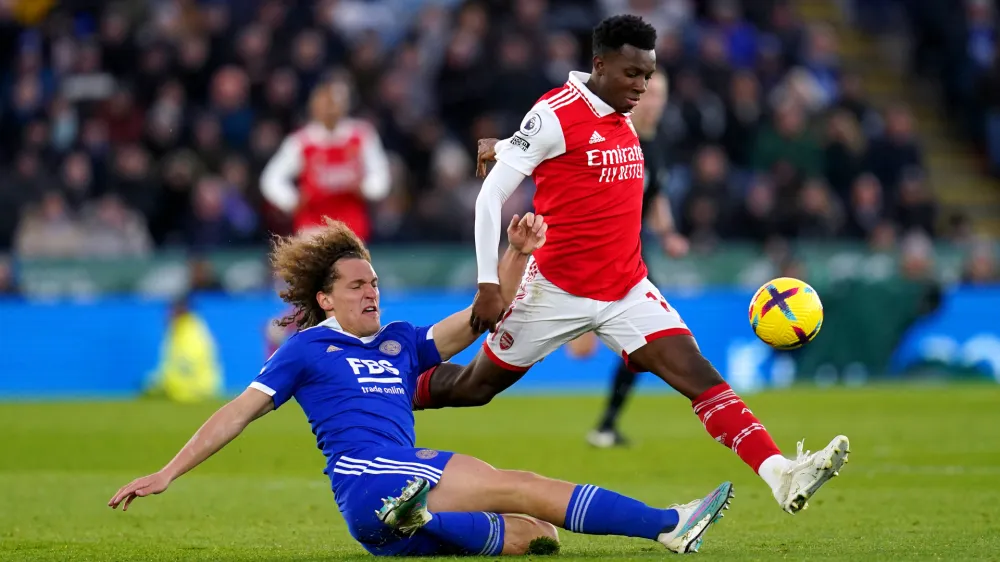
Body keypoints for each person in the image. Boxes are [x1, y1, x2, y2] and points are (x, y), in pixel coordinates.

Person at [414, 14, 850, 515]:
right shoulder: (556, 113)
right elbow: (490, 198)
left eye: (648, 75)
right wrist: (489, 283)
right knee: (474, 388)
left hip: (627, 289)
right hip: (554, 291)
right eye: (632, 74)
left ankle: (780, 474)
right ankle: (387, 390)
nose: (642, 87)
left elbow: (548, 152)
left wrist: (504, 145)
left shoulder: (623, 115)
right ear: (598, 65)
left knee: (701, 378)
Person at [108, 215, 734, 556]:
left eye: (374, 282)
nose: (372, 291)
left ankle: (418, 522)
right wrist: (168, 471)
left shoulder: (400, 341)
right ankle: (666, 524)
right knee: (520, 487)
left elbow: (482, 317)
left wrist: (513, 253)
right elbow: (237, 413)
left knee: (536, 534)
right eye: (357, 285)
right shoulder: (305, 349)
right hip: (367, 478)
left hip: (405, 481)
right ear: (325, 298)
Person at [583, 70, 690, 449]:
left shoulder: (656, 145)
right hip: (595, 250)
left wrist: (669, 234)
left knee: (647, 341)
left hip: (632, 253)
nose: (655, 101)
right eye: (650, 93)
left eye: (661, 94)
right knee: (646, 338)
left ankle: (607, 424)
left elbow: (656, 196)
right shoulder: (613, 134)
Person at [261, 72, 389, 240]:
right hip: (312, 227)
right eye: (325, 102)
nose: (330, 108)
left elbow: (381, 175)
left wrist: (366, 189)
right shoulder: (301, 141)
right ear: (314, 106)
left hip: (353, 226)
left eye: (335, 102)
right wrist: (292, 200)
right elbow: (271, 179)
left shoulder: (362, 136)